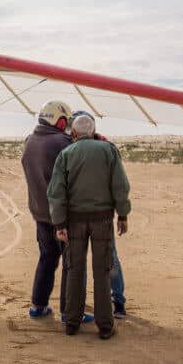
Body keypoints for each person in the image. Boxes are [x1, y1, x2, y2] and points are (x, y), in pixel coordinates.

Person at [48, 114, 131, 339]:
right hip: (103, 221)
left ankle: (72, 322)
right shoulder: (108, 151)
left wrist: (59, 224)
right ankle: (105, 326)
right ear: (94, 131)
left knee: (75, 270)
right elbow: (120, 186)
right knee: (102, 272)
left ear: (73, 133)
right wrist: (122, 214)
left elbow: (56, 193)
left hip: (74, 222)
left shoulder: (65, 154)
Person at [20, 100, 92, 322]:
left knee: (47, 259)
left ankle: (37, 305)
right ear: (59, 120)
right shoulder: (63, 141)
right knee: (71, 263)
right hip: (62, 215)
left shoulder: (30, 141)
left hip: (40, 213)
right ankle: (69, 312)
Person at [70, 111, 128, 319]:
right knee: (103, 258)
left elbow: (119, 184)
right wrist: (122, 214)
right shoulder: (103, 148)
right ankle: (111, 303)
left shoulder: (103, 149)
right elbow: (120, 185)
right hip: (100, 216)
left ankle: (115, 301)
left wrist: (122, 213)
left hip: (82, 217)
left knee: (97, 259)